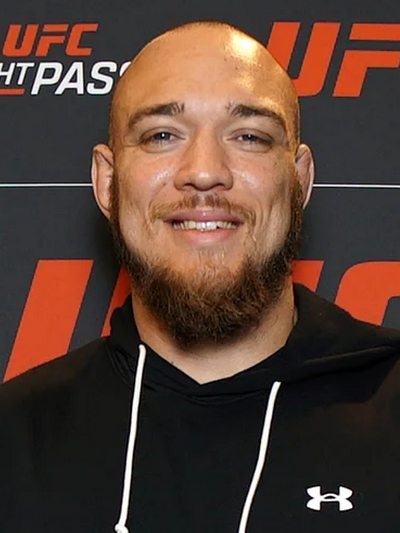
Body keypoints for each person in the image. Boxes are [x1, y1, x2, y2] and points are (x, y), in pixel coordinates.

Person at [1, 21, 400, 533]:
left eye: (250, 136)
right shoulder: (15, 438)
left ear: (298, 181)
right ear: (107, 182)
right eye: (162, 135)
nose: (206, 171)